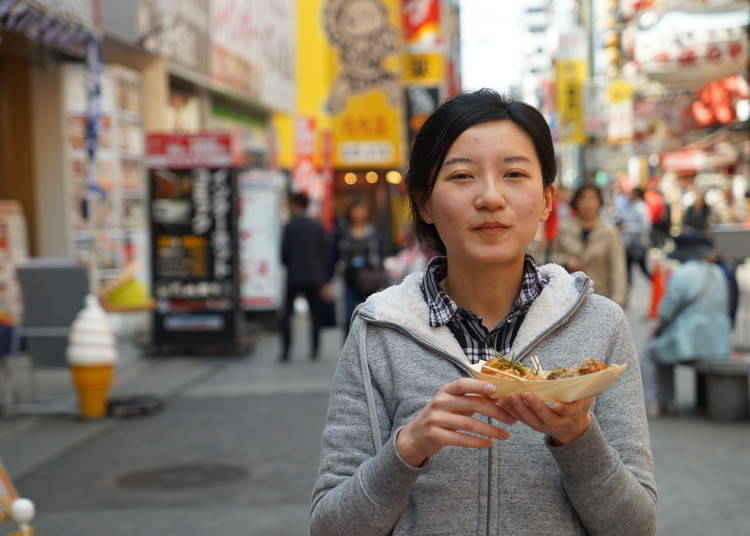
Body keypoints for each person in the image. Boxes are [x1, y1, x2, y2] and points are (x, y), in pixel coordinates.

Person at [311, 89, 657, 535]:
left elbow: (638, 527)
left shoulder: (600, 325)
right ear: (423, 202)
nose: (491, 197)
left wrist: (578, 437)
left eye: (514, 173)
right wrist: (408, 447)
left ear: (547, 199)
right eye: (461, 176)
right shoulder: (379, 330)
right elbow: (330, 527)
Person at [643, 231, 731, 418]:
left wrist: (657, 328)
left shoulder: (683, 273)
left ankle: (655, 403)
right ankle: (669, 401)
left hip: (690, 342)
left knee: (649, 352)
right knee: (661, 351)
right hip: (718, 341)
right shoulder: (719, 272)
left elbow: (665, 312)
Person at [550, 183, 628, 307]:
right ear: (576, 202)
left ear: (599, 202)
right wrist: (566, 261)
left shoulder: (610, 232)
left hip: (601, 297)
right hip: (568, 299)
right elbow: (552, 258)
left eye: (592, 198)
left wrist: (618, 296)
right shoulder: (564, 228)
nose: (588, 203)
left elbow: (617, 266)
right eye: (583, 198)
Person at [279, 192, 330, 362]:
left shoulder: (289, 227)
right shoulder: (317, 227)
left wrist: (291, 265)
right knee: (315, 315)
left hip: (294, 275)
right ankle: (315, 349)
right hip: (314, 276)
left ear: (295, 205)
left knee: (287, 314)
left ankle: (286, 351)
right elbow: (325, 253)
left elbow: (284, 254)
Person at [339, 200, 385, 336]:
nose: (359, 213)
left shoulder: (375, 232)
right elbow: (334, 256)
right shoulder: (343, 233)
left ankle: (370, 347)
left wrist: (382, 276)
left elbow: (381, 255)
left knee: (371, 315)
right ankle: (348, 348)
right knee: (348, 316)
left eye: (362, 209)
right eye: (356, 210)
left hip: (370, 279)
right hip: (350, 279)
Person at [620, 187, 652, 285]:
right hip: (630, 244)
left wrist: (628, 227)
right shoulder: (632, 206)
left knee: (643, 269)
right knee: (627, 270)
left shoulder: (640, 207)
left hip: (638, 244)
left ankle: (657, 284)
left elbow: (645, 226)